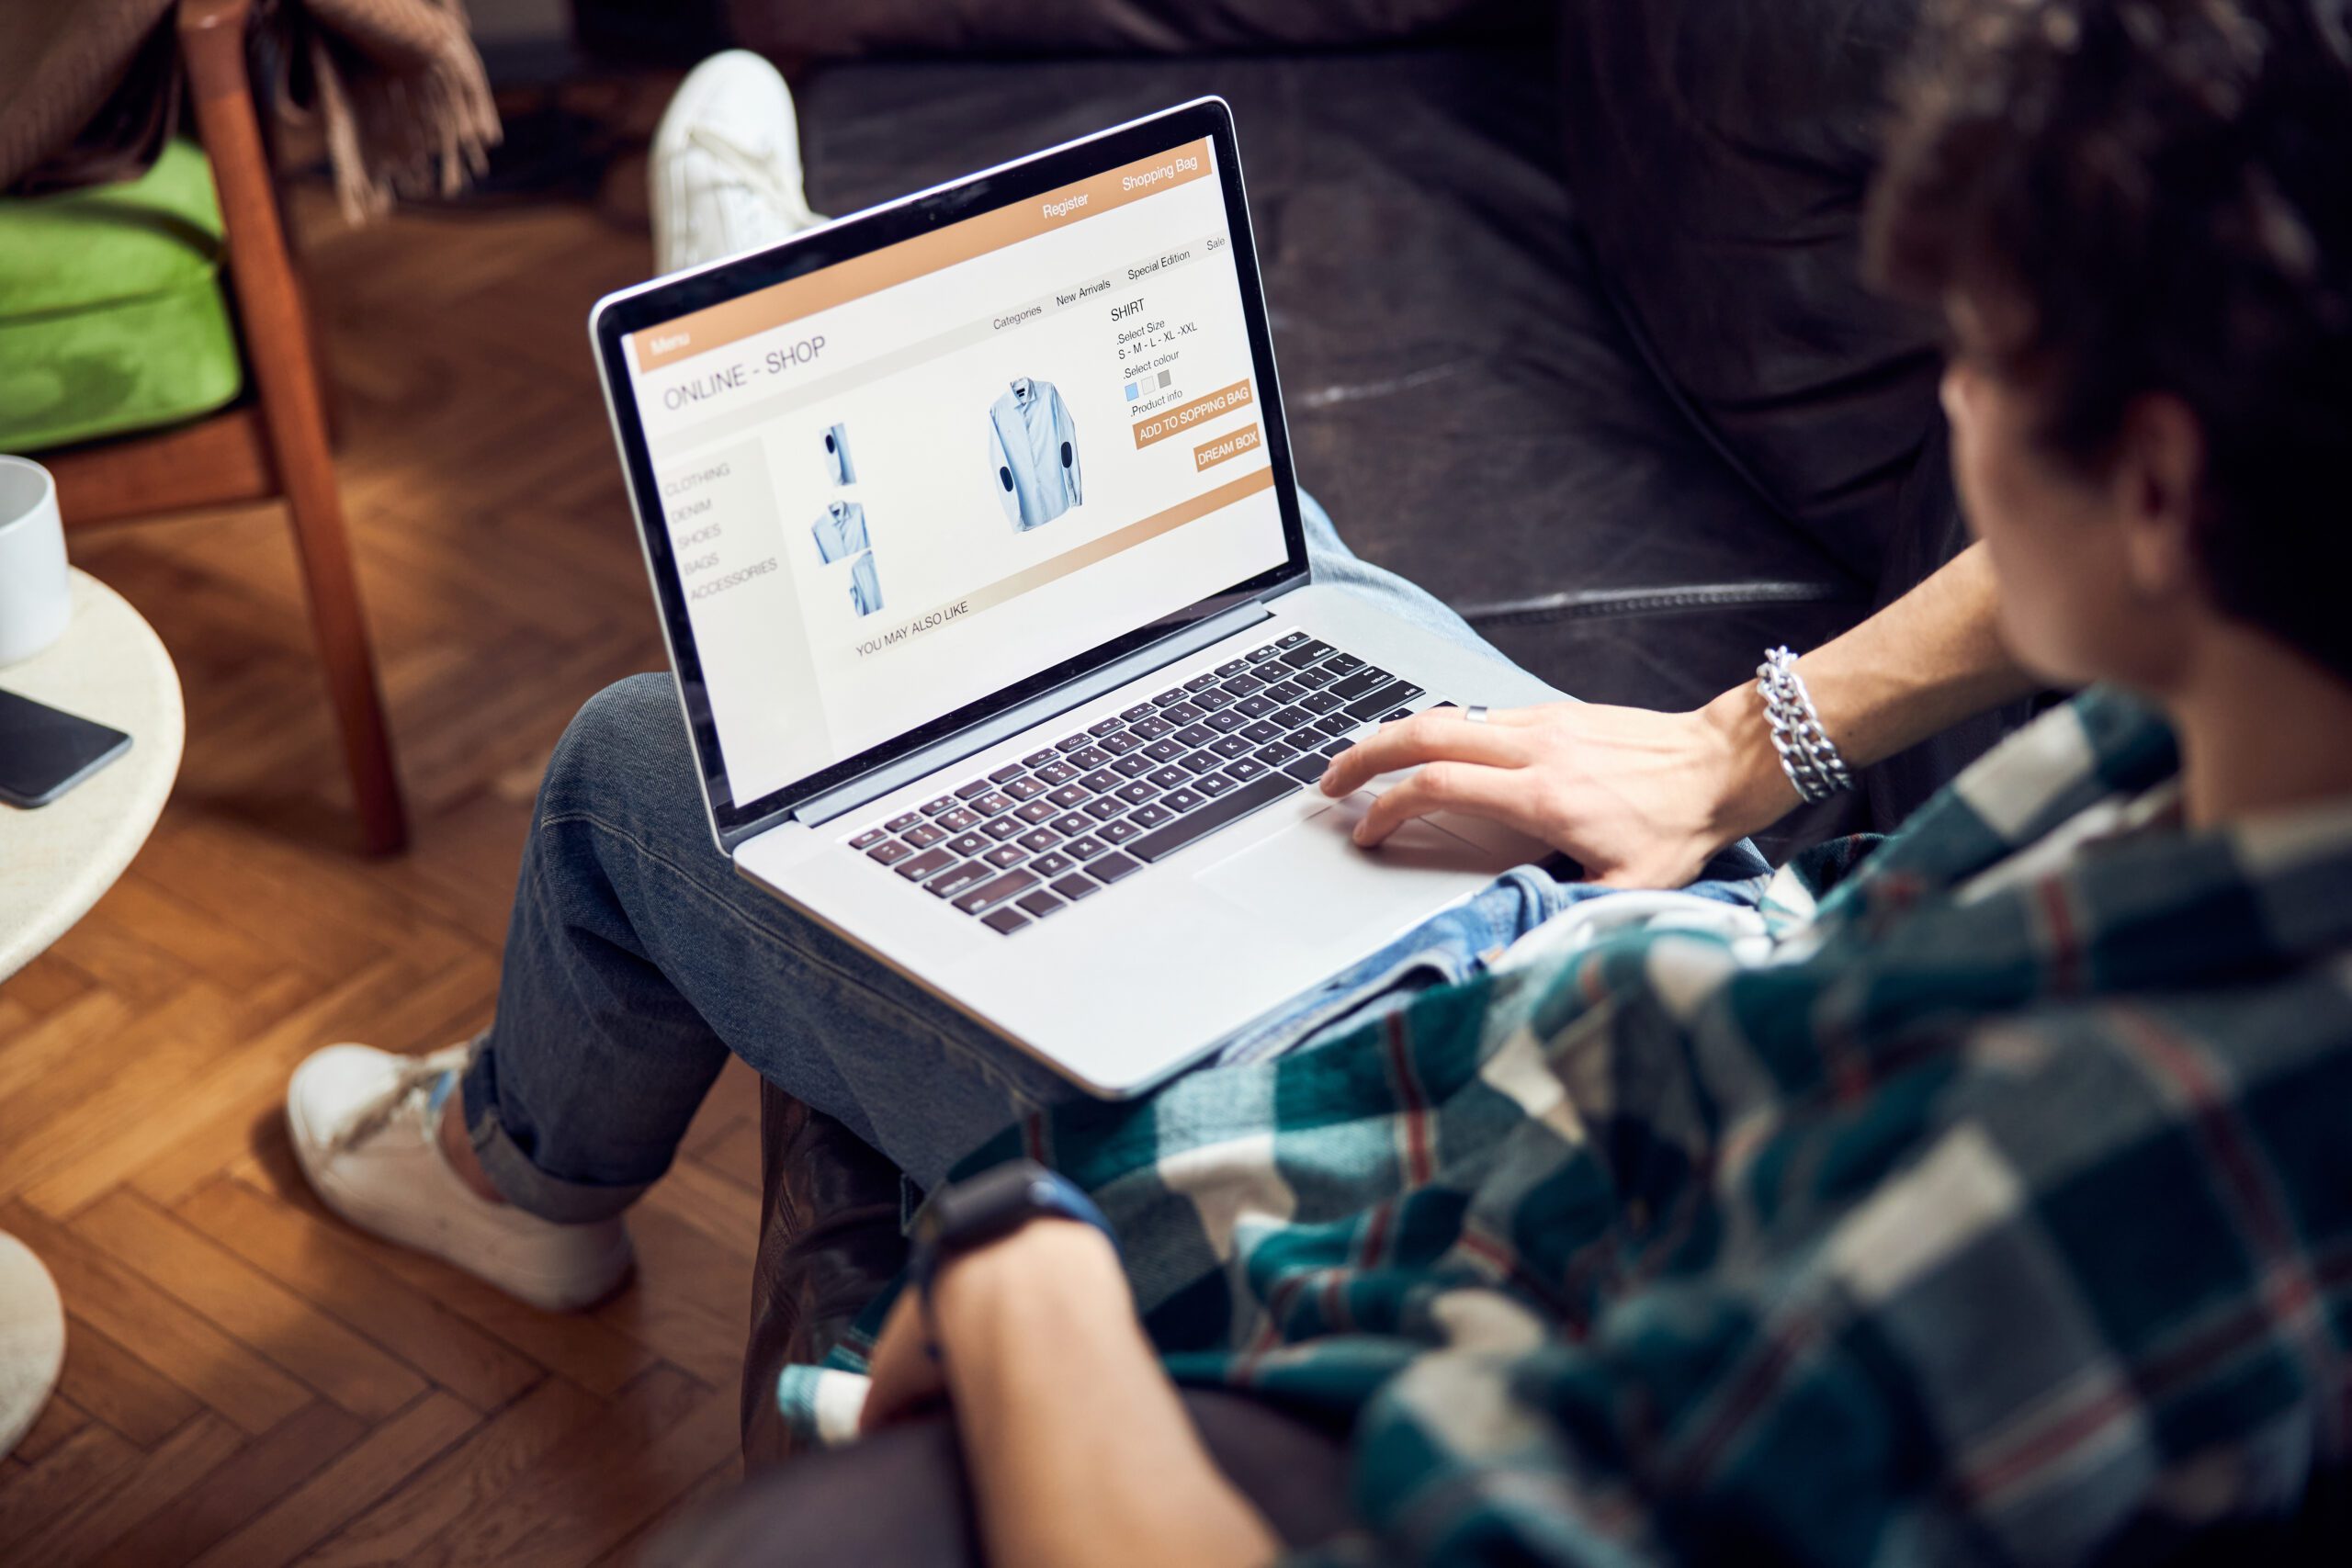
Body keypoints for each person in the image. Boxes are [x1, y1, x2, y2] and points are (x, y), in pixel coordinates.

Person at [289, 2, 2352, 1560]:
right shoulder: (2266, 720)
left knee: (640, 762)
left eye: (1975, 364)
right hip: (1628, 954)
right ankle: (827, 343)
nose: (1958, 408)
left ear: (2157, 484)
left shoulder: (2108, 1173)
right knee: (1249, 572)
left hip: (1363, 1151)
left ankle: (514, 1173)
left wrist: (1021, 1305)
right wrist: (1728, 754)